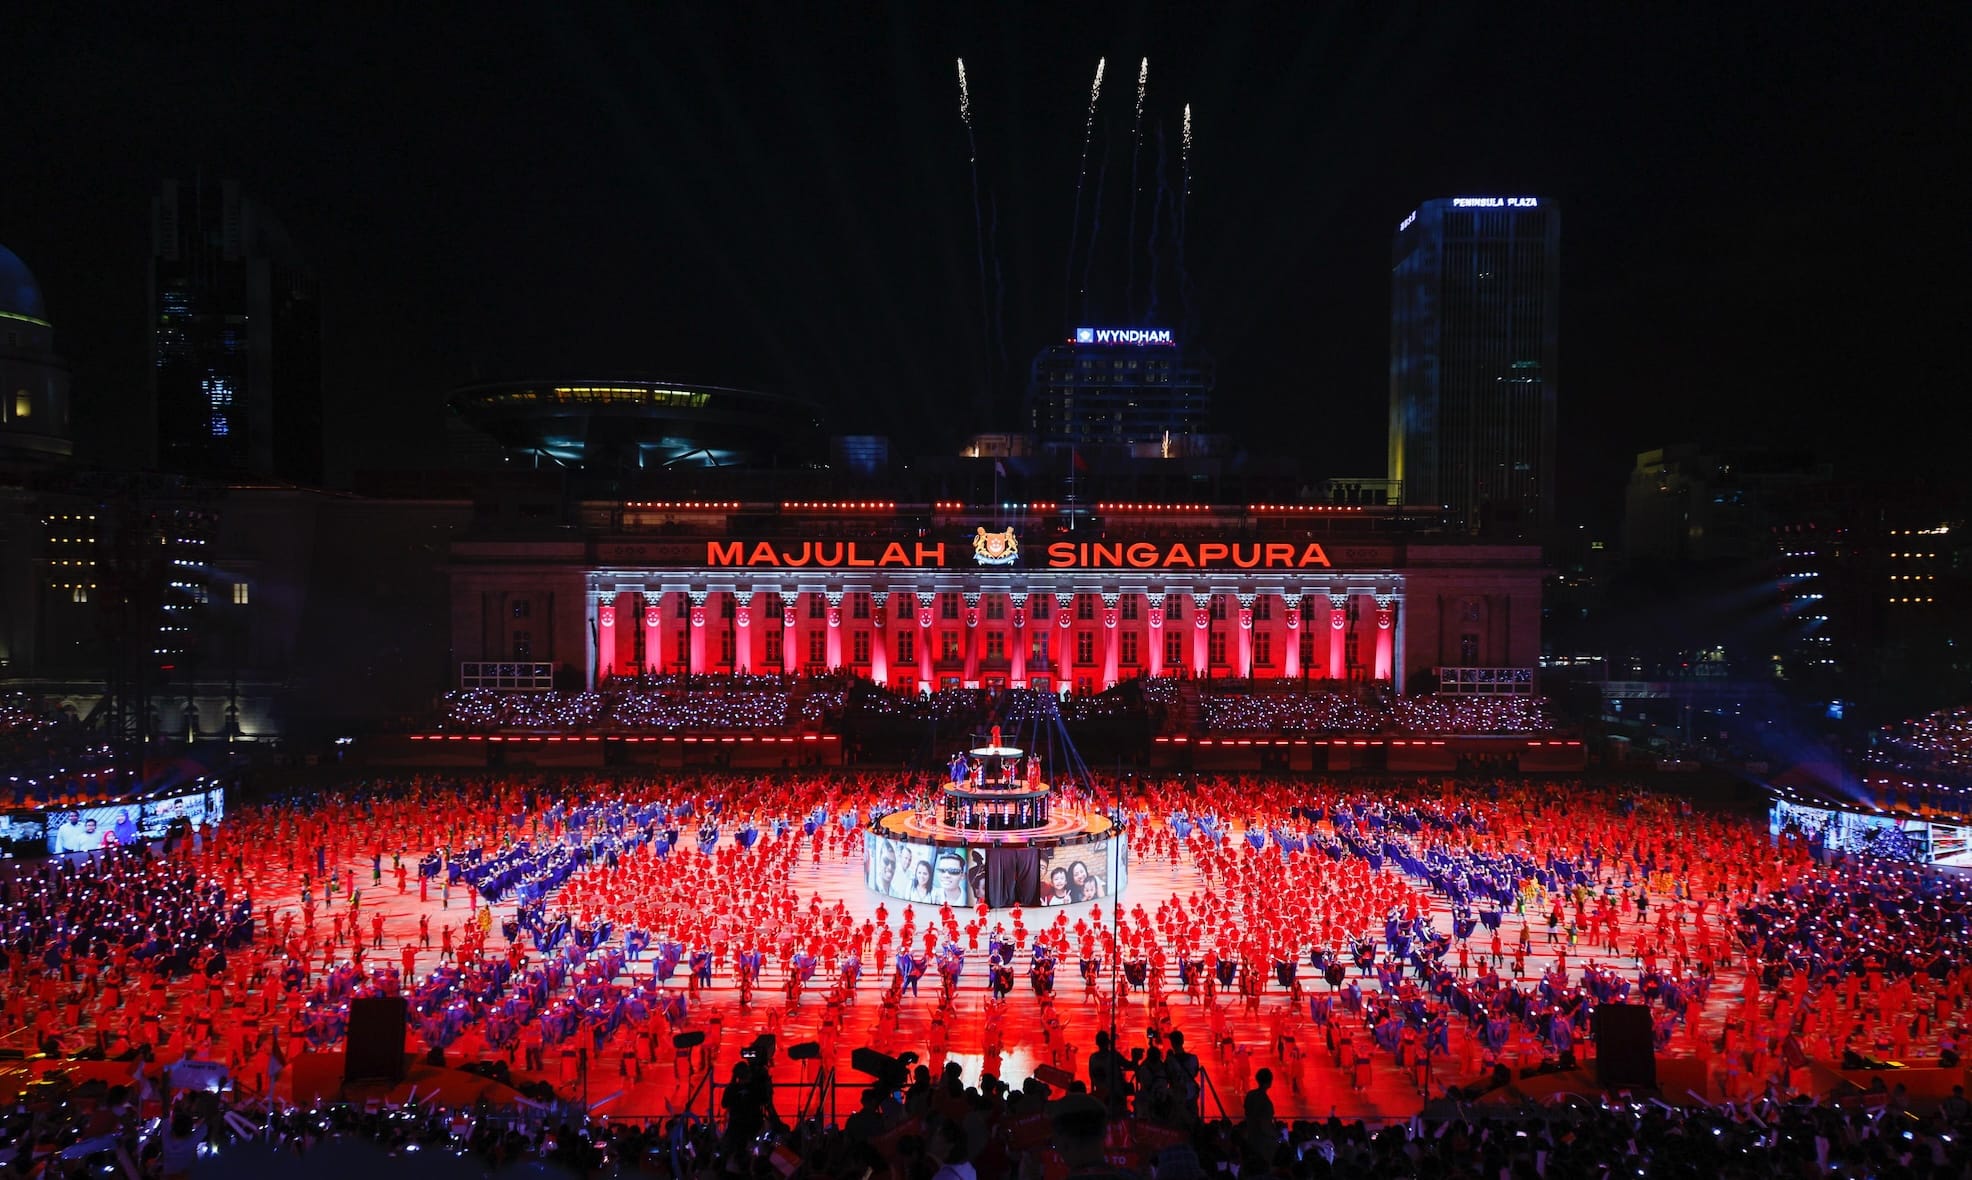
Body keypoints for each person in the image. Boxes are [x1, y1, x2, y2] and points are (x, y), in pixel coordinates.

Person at [1242, 1067, 1277, 1168]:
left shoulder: (1250, 1095)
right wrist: (1276, 1135)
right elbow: (1264, 1125)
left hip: (1250, 1137)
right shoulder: (1266, 1102)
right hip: (1263, 1142)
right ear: (1269, 1082)